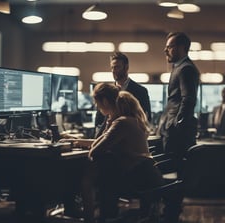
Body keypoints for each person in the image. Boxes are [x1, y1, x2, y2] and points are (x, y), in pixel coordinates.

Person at [64, 83, 163, 223]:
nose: (98, 108)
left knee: (86, 175)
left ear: (104, 101)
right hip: (147, 174)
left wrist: (108, 124)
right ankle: (96, 215)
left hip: (137, 179)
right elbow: (101, 142)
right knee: (98, 170)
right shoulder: (130, 120)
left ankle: (89, 217)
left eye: (97, 104)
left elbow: (95, 151)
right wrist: (77, 141)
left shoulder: (120, 123)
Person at [159, 32, 200, 223]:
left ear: (183, 47)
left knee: (176, 173)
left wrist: (176, 124)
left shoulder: (186, 69)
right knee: (174, 173)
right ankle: (171, 212)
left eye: (170, 46)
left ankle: (171, 214)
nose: (166, 49)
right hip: (173, 130)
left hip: (177, 133)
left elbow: (188, 99)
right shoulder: (179, 68)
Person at [94, 52, 152, 137]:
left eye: (117, 67)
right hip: (108, 136)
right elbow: (100, 118)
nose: (114, 71)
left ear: (126, 67)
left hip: (130, 137)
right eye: (112, 68)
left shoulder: (140, 91)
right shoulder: (106, 91)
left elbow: (146, 117)